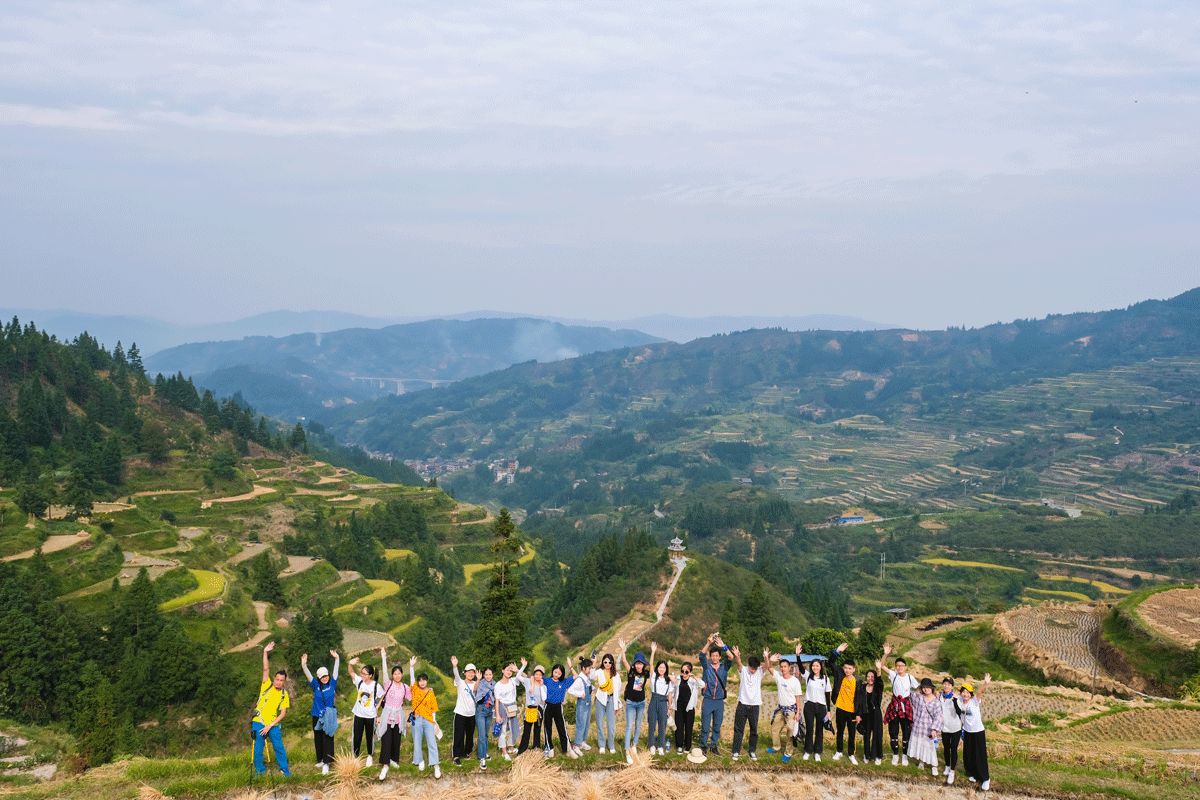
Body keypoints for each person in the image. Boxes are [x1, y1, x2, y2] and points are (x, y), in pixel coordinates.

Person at [252, 642, 291, 777]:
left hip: (273, 723)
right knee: (258, 748)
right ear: (274, 679)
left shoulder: (284, 694)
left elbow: (283, 713)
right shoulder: (266, 685)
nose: (279, 682)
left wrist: (270, 726)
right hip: (259, 720)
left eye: (282, 680)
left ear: (284, 682)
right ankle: (260, 770)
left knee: (278, 746)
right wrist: (265, 652)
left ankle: (284, 767)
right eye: (277, 679)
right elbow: (265, 668)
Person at [876, 643, 918, 765]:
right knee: (893, 731)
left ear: (905, 667)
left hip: (906, 707)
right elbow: (882, 665)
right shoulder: (893, 675)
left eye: (902, 666)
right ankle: (895, 754)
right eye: (897, 666)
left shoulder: (910, 677)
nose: (899, 668)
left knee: (906, 732)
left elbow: (919, 689)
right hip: (894, 706)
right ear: (895, 667)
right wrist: (885, 654)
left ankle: (904, 755)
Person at [300, 649, 339, 775]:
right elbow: (308, 675)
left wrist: (337, 659)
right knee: (318, 738)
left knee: (327, 737)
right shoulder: (316, 685)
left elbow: (336, 671)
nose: (324, 678)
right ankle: (321, 759)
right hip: (316, 714)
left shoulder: (332, 683)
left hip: (328, 716)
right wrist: (303, 664)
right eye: (322, 676)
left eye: (326, 675)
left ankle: (327, 763)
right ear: (319, 677)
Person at [376, 648, 412, 781]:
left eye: (399, 673)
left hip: (398, 716)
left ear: (402, 675)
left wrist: (427, 690)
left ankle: (394, 760)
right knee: (386, 740)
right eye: (395, 674)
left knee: (396, 740)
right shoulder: (388, 684)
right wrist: (384, 657)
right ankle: (385, 764)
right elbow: (384, 672)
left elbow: (413, 695)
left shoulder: (405, 687)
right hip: (387, 715)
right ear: (392, 675)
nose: (397, 676)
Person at [765, 644, 804, 762]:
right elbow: (769, 668)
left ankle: (788, 752)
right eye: (781, 666)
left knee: (790, 733)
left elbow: (798, 698)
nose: (782, 669)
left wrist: (798, 713)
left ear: (789, 668)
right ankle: (776, 747)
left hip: (791, 711)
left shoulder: (795, 681)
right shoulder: (778, 677)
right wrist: (768, 659)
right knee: (775, 729)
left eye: (785, 667)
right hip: (781, 709)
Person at [828, 642, 864, 764]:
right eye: (845, 668)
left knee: (852, 733)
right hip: (840, 709)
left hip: (852, 711)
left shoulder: (858, 682)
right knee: (840, 731)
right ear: (843, 669)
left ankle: (851, 754)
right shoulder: (839, 675)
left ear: (853, 669)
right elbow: (830, 663)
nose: (847, 670)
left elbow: (860, 699)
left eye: (850, 668)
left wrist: (859, 714)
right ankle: (839, 751)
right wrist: (836, 651)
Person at [698, 633, 732, 755]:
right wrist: (708, 643)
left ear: (719, 657)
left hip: (718, 701)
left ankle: (714, 746)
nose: (715, 657)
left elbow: (731, 657)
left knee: (717, 726)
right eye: (713, 655)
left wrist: (724, 647)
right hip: (707, 699)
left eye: (717, 656)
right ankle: (703, 746)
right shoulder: (707, 666)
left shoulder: (724, 667)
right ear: (711, 657)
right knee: (705, 726)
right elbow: (701, 655)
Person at [730, 645, 765, 762]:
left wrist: (767, 658)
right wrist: (737, 656)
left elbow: (767, 666)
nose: (753, 670)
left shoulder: (759, 672)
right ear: (748, 665)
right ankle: (736, 751)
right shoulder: (743, 670)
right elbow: (739, 664)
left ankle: (752, 751)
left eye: (755, 668)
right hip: (742, 704)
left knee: (754, 730)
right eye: (752, 668)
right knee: (739, 729)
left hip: (755, 706)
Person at [957, 674, 991, 791]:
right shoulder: (960, 701)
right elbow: (950, 694)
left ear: (971, 694)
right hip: (966, 731)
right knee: (968, 753)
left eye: (967, 692)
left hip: (978, 732)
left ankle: (985, 778)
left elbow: (979, 692)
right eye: (963, 692)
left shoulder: (974, 701)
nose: (965, 694)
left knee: (979, 755)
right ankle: (971, 773)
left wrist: (985, 684)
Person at [409, 655, 441, 778]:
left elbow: (434, 709)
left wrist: (434, 721)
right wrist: (411, 667)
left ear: (427, 681)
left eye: (424, 680)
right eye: (420, 680)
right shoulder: (415, 689)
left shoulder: (430, 693)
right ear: (418, 682)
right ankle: (420, 761)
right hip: (417, 719)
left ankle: (436, 765)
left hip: (428, 720)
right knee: (417, 742)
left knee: (432, 742)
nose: (422, 682)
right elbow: (412, 680)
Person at [619, 638, 649, 763]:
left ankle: (634, 745)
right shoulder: (631, 672)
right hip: (631, 703)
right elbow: (624, 660)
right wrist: (622, 649)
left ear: (643, 664)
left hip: (641, 703)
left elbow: (654, 668)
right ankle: (627, 751)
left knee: (638, 725)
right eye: (637, 663)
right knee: (629, 726)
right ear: (634, 664)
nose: (638, 665)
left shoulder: (646, 674)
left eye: (640, 663)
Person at [347, 655, 381, 765]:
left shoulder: (376, 686)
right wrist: (350, 664)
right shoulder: (359, 682)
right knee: (357, 736)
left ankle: (370, 756)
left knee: (369, 737)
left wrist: (377, 706)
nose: (362, 675)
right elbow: (351, 673)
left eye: (364, 674)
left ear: (370, 675)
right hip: (358, 714)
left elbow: (383, 695)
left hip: (370, 716)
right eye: (361, 673)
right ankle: (356, 757)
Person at [908, 677, 943, 776]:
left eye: (928, 687)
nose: (925, 689)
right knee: (919, 745)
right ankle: (921, 762)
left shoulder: (936, 702)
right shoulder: (919, 697)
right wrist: (917, 691)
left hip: (929, 729)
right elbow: (907, 691)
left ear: (932, 688)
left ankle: (934, 767)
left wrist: (934, 729)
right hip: (918, 727)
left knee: (930, 748)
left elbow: (939, 716)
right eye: (923, 687)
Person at [543, 663, 578, 758]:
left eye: (559, 673)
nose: (556, 675)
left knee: (562, 729)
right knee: (547, 729)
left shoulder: (564, 682)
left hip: (558, 706)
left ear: (562, 674)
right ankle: (549, 749)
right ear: (552, 671)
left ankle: (567, 749)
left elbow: (575, 676)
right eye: (555, 672)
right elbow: (535, 678)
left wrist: (570, 666)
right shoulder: (547, 680)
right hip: (548, 706)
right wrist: (519, 671)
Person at [801, 655, 832, 761]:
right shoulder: (808, 676)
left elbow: (827, 696)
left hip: (821, 707)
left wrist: (828, 711)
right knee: (809, 728)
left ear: (820, 667)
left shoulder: (826, 679)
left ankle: (817, 752)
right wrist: (797, 656)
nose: (815, 668)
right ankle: (808, 750)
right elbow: (800, 667)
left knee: (819, 730)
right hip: (809, 705)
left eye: (817, 666)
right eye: (813, 666)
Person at [670, 659, 703, 755]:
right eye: (682, 671)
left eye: (686, 671)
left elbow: (703, 685)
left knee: (689, 727)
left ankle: (687, 747)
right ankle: (679, 746)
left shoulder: (693, 681)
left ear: (690, 672)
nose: (684, 673)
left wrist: (695, 677)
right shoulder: (678, 678)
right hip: (679, 706)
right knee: (679, 727)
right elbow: (672, 689)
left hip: (689, 707)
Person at [450, 655, 478, 767]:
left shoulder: (476, 684)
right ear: (465, 673)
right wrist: (455, 666)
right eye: (468, 672)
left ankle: (466, 752)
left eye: (473, 672)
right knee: (458, 735)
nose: (470, 674)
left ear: (475, 674)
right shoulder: (460, 682)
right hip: (461, 713)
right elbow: (456, 676)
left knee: (470, 735)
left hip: (472, 713)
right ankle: (456, 755)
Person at [494, 661, 525, 760]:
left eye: (510, 671)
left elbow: (524, 677)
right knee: (503, 731)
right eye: (507, 670)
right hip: (503, 708)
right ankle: (504, 752)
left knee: (514, 728)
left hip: (512, 707)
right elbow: (497, 701)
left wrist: (519, 669)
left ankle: (511, 748)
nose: (509, 672)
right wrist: (497, 715)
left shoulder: (513, 680)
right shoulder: (498, 685)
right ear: (503, 671)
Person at [646, 643, 673, 756]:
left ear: (666, 669)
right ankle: (652, 745)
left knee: (662, 725)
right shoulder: (654, 677)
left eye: (664, 667)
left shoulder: (668, 680)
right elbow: (651, 664)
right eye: (660, 667)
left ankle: (660, 746)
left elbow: (670, 695)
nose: (662, 669)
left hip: (663, 703)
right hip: (654, 701)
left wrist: (669, 708)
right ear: (658, 668)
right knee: (652, 724)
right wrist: (653, 651)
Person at [591, 653, 621, 754]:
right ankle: (602, 745)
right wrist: (594, 662)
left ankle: (611, 745)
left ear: (612, 663)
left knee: (611, 725)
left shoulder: (616, 675)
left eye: (610, 662)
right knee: (599, 723)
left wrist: (618, 704)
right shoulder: (599, 672)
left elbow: (618, 690)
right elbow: (591, 675)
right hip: (600, 699)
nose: (607, 664)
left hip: (611, 700)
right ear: (603, 663)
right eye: (605, 662)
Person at [517, 662, 547, 754]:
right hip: (530, 708)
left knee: (537, 730)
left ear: (542, 676)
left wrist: (541, 686)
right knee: (527, 731)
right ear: (534, 674)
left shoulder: (544, 686)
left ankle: (536, 748)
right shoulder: (528, 682)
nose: (538, 676)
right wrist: (523, 666)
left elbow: (544, 698)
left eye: (540, 675)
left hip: (539, 709)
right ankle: (522, 750)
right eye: (536, 674)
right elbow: (518, 676)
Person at [568, 656, 595, 753]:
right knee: (581, 724)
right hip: (582, 704)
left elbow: (590, 687)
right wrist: (580, 695)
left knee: (587, 723)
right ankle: (576, 745)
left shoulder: (587, 678)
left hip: (588, 704)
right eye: (589, 668)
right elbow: (571, 690)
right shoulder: (580, 679)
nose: (590, 670)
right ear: (583, 668)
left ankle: (583, 741)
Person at [940, 677, 962, 784]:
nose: (946, 686)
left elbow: (959, 712)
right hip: (944, 728)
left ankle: (952, 771)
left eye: (949, 685)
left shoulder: (955, 697)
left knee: (953, 749)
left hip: (955, 728)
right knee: (946, 748)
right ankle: (947, 766)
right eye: (945, 684)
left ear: (952, 687)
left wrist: (955, 701)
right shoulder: (940, 696)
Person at [474, 666, 497, 769]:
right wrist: (478, 679)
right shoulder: (481, 683)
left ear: (492, 675)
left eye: (490, 674)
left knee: (486, 734)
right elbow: (475, 690)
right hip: (480, 710)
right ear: (484, 675)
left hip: (489, 710)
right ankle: (481, 757)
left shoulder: (495, 684)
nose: (488, 676)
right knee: (482, 734)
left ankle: (485, 751)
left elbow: (496, 697)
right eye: (486, 674)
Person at [860, 669, 885, 766]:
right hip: (865, 714)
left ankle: (878, 756)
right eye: (868, 676)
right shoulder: (862, 687)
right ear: (866, 678)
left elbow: (879, 680)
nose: (870, 679)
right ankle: (866, 755)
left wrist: (879, 669)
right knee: (866, 735)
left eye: (872, 677)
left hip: (876, 714)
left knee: (877, 735)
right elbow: (858, 701)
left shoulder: (878, 687)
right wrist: (858, 715)